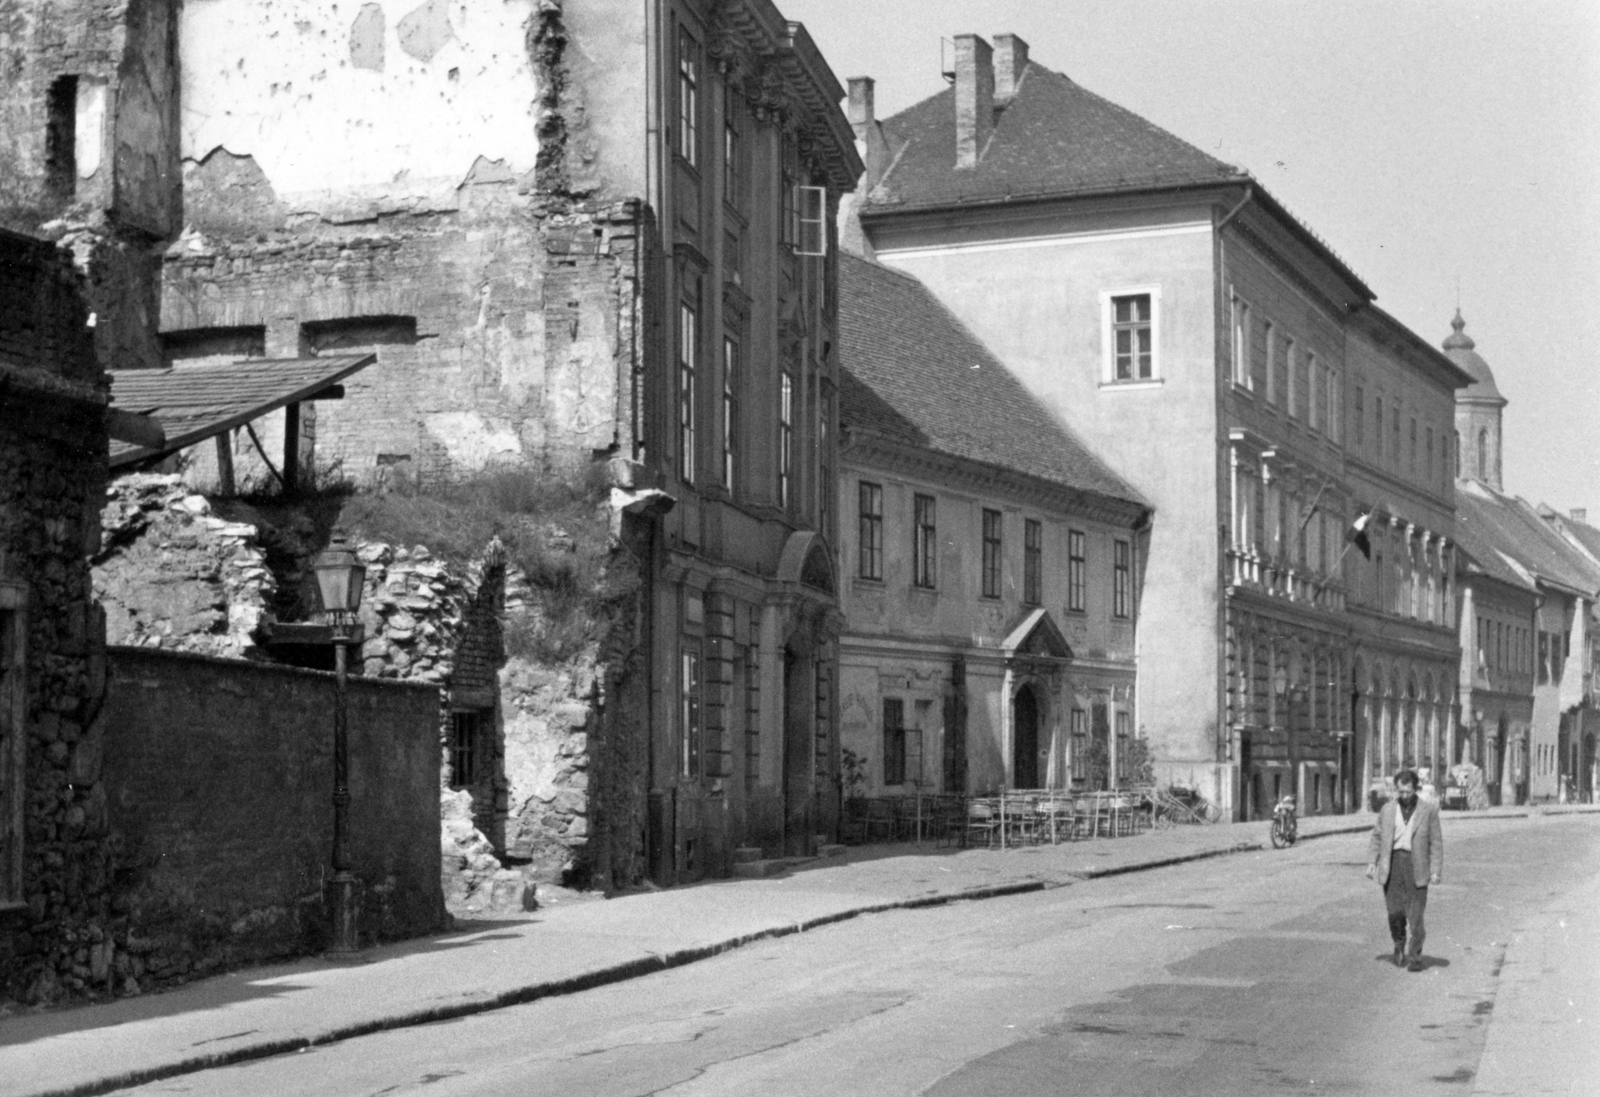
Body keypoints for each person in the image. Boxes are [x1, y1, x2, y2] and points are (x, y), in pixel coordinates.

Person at [1366, 769, 1444, 972]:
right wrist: (1372, 862)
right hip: (1393, 865)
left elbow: (1436, 842)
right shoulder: (1388, 810)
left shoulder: (1428, 810)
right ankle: (1399, 943)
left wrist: (1435, 870)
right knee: (1394, 912)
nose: (1404, 796)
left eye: (1408, 792)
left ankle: (1416, 956)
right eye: (1400, 792)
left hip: (1416, 866)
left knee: (1416, 916)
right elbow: (1377, 836)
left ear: (1415, 789)